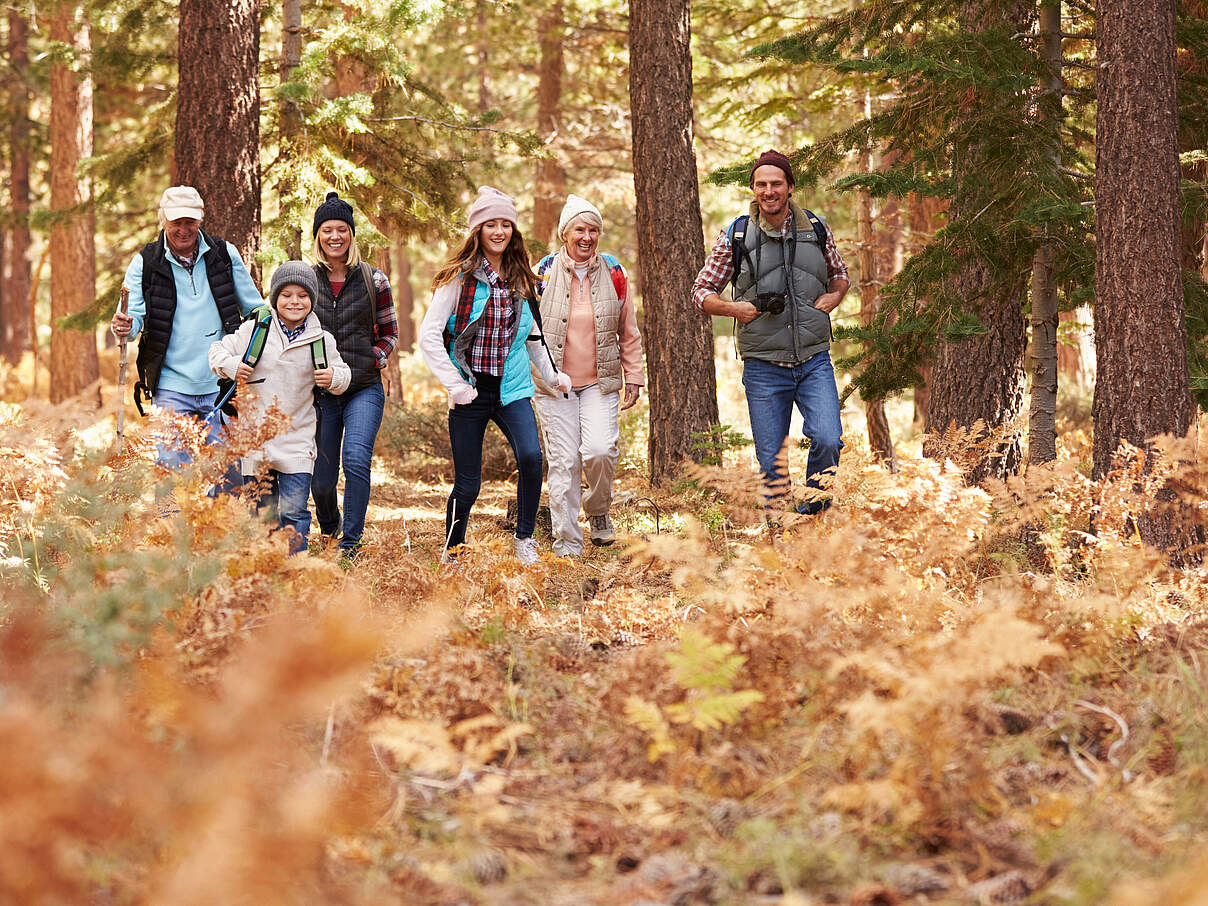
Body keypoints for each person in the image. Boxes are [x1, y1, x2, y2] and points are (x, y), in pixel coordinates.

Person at [418, 187, 572, 565]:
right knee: (469, 482)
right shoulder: (460, 278)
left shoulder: (521, 276)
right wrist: (455, 385)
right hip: (470, 389)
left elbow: (532, 336)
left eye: (506, 224)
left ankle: (524, 541)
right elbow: (428, 336)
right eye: (491, 224)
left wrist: (553, 377)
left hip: (512, 388)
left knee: (532, 458)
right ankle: (452, 549)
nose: (499, 231)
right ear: (478, 230)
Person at [692, 149, 849, 514]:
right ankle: (780, 537)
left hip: (813, 360)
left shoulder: (816, 228)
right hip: (763, 366)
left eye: (776, 183)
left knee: (828, 439)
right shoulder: (736, 234)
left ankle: (812, 518)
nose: (768, 190)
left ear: (790, 187)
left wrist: (835, 294)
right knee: (772, 462)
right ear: (753, 189)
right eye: (761, 184)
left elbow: (840, 273)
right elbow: (700, 292)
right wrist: (732, 308)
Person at [110, 186, 263, 467]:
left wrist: (251, 354)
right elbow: (130, 323)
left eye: (189, 222)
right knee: (170, 471)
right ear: (164, 221)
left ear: (200, 221)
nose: (183, 229)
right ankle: (170, 515)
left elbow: (255, 310)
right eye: (176, 222)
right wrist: (123, 326)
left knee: (225, 471)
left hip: (221, 383)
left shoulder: (224, 254)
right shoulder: (145, 262)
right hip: (170, 384)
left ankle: (222, 514)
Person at [208, 262, 351, 553]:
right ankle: (266, 570)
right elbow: (217, 351)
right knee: (260, 513)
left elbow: (344, 374)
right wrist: (233, 366)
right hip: (254, 441)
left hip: (297, 440)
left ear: (312, 299)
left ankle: (295, 570)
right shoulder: (255, 330)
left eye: (302, 295)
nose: (294, 302)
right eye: (286, 295)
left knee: (294, 512)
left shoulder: (321, 341)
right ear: (275, 298)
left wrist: (334, 377)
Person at [532, 195, 645, 557]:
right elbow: (525, 330)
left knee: (599, 451)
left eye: (593, 229)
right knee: (564, 462)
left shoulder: (614, 273)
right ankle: (567, 542)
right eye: (579, 229)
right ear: (565, 233)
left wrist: (635, 376)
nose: (587, 236)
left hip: (600, 382)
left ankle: (598, 512)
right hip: (553, 385)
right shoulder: (542, 272)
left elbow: (628, 330)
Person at [308, 191, 399, 560]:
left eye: (342, 230)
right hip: (322, 393)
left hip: (363, 388)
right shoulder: (306, 279)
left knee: (357, 459)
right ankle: (330, 528)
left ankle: (350, 543)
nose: (335, 237)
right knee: (322, 480)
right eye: (327, 230)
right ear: (318, 236)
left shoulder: (373, 279)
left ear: (351, 235)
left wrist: (372, 359)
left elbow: (390, 332)